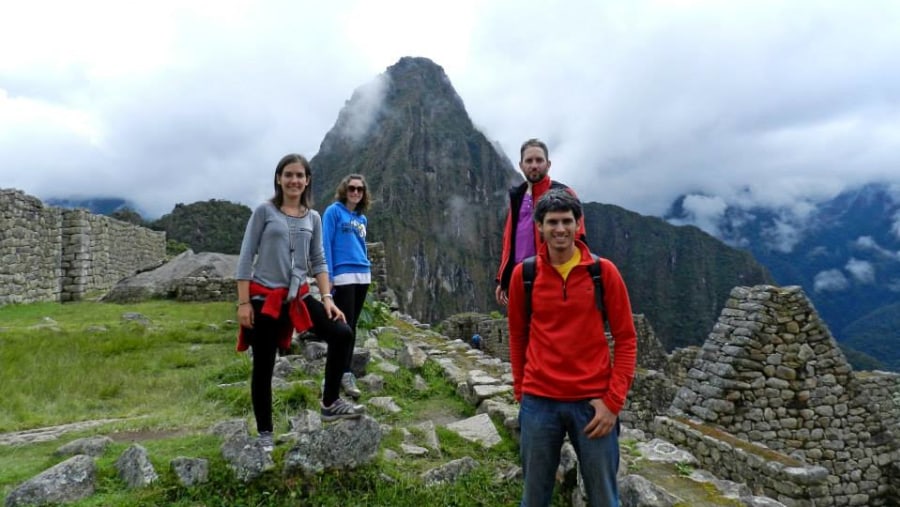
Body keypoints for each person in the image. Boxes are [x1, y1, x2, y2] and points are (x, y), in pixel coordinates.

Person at [507, 189, 637, 506]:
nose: (560, 229)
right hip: (540, 402)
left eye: (567, 221)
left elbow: (626, 338)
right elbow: (517, 336)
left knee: (605, 497)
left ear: (579, 225)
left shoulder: (602, 273)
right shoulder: (524, 275)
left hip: (592, 404)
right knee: (534, 496)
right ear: (539, 226)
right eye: (552, 222)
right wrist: (522, 393)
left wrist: (613, 402)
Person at [235, 154, 365, 452]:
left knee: (342, 333)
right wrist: (244, 304)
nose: (294, 180)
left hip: (301, 295)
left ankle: (330, 402)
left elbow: (318, 260)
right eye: (288, 175)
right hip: (266, 296)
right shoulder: (264, 213)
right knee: (264, 365)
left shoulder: (313, 217)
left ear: (307, 181)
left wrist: (328, 298)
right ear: (279, 179)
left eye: (300, 175)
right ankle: (265, 432)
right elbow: (245, 257)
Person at [495, 138, 586, 307]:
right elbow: (509, 240)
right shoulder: (517, 196)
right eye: (529, 161)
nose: (534, 165)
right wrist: (503, 278)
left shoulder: (563, 194)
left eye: (539, 160)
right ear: (521, 165)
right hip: (520, 277)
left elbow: (578, 237)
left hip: (553, 277)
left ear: (548, 164)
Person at [322, 174, 372, 399]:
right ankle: (338, 373)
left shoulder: (361, 219)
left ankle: (344, 372)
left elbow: (361, 246)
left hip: (362, 275)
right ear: (345, 190)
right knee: (344, 327)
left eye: (360, 190)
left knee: (353, 326)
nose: (355, 193)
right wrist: (328, 276)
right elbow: (326, 243)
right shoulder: (333, 212)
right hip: (343, 276)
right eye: (352, 188)